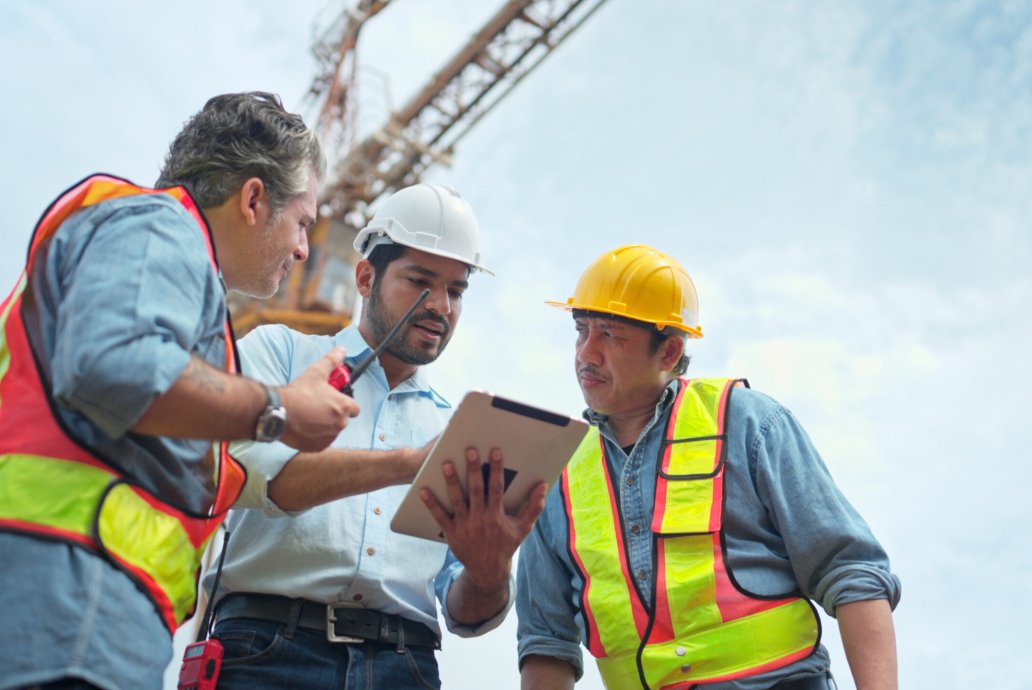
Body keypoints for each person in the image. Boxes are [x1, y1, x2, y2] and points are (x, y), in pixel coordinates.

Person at [0, 91, 361, 690]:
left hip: (77, 593)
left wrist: (406, 465)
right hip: (72, 589)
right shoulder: (160, 227)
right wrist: (279, 409)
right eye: (303, 222)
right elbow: (118, 366)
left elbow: (237, 476)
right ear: (252, 199)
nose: (303, 249)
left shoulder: (157, 255)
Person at [206, 183, 547, 690]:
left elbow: (467, 614)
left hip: (405, 667)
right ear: (365, 277)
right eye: (420, 281)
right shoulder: (279, 353)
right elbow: (258, 479)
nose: (440, 306)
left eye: (456, 291)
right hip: (268, 652)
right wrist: (408, 463)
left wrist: (489, 569)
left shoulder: (452, 429)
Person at [516, 244, 901, 690]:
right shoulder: (554, 473)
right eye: (581, 330)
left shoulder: (748, 423)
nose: (587, 353)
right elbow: (546, 643)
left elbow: (851, 572)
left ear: (669, 351)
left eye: (611, 335)